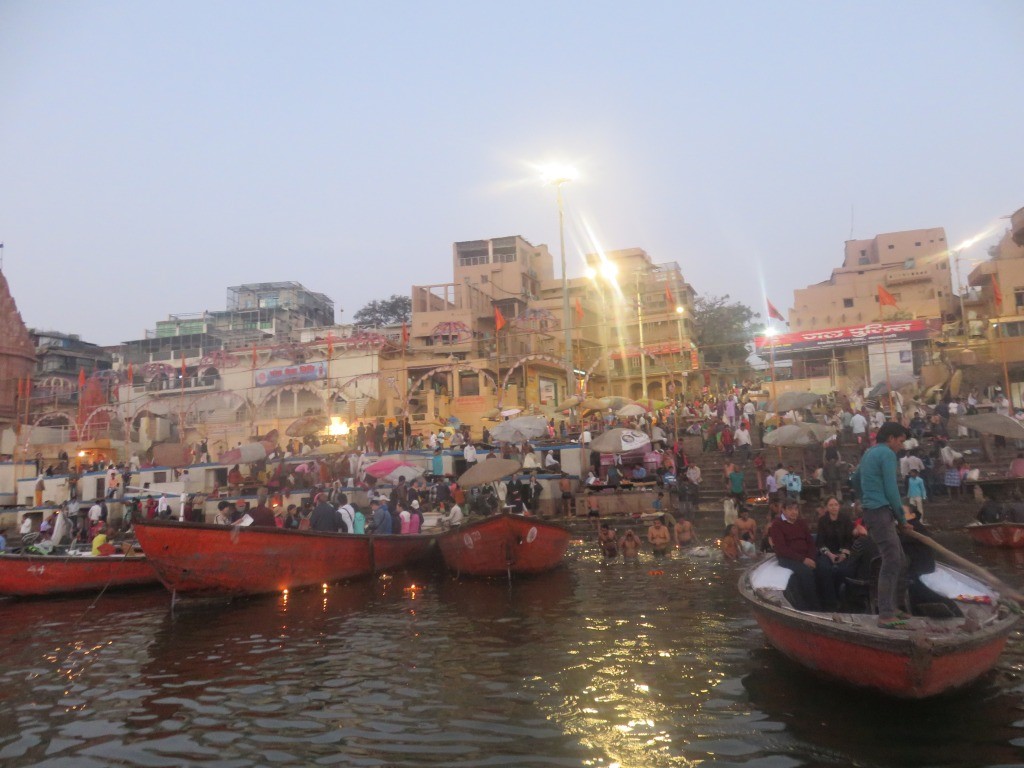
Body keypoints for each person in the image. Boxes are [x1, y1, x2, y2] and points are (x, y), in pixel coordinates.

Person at [850, 421, 910, 628]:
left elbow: (855, 478)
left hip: (874, 511)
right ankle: (885, 614)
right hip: (880, 512)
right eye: (900, 441)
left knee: (901, 559)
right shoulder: (887, 454)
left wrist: (863, 498)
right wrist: (902, 519)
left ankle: (894, 606)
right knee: (891, 560)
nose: (901, 446)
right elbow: (892, 489)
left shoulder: (869, 453)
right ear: (891, 438)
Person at [768, 498, 835, 611]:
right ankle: (814, 608)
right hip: (788, 558)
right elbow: (781, 549)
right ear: (783, 510)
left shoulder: (801, 523)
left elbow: (810, 542)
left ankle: (831, 605)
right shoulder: (777, 525)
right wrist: (803, 560)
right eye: (790, 509)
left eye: (796, 509)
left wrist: (810, 557)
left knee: (825, 568)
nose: (794, 512)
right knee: (806, 572)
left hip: (807, 556)